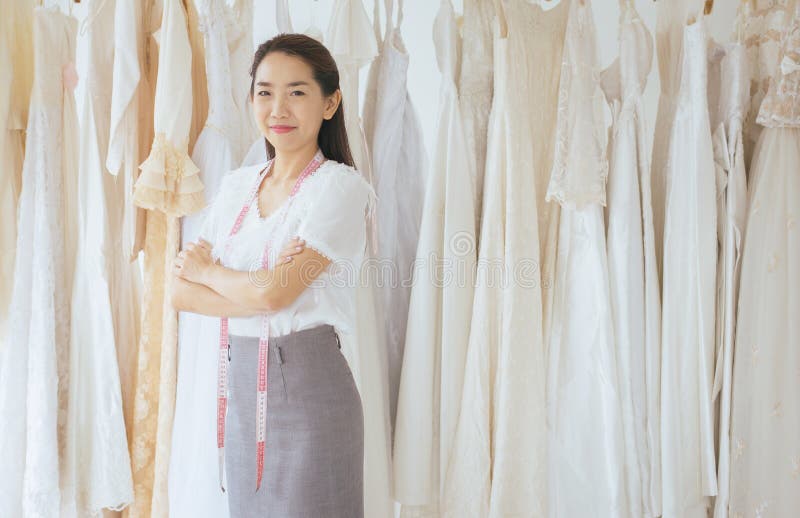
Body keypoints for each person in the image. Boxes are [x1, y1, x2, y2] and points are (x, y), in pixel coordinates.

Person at [170, 33, 374, 518]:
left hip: (309, 389)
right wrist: (255, 288)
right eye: (265, 92)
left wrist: (212, 272)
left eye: (297, 92)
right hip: (240, 384)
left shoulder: (339, 189)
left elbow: (276, 294)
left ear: (331, 103)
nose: (278, 107)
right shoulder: (238, 185)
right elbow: (181, 291)